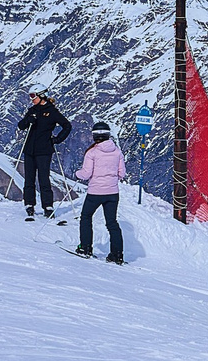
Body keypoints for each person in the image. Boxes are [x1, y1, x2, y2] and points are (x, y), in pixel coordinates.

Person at [74, 119, 125, 262]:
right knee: (112, 223)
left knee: (86, 217)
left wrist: (77, 174)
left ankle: (85, 248)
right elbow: (122, 173)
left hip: (95, 192)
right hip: (112, 193)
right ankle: (117, 255)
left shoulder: (92, 153)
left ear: (94, 136)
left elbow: (86, 174)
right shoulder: (117, 152)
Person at [14, 90, 71, 220]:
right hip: (29, 150)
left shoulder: (52, 112)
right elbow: (21, 126)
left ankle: (48, 206)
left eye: (33, 96)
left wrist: (57, 139)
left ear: (41, 96)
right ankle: (29, 204)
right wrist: (28, 120)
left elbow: (67, 126)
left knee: (43, 179)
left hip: (44, 150)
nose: (31, 99)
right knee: (29, 178)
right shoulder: (32, 111)